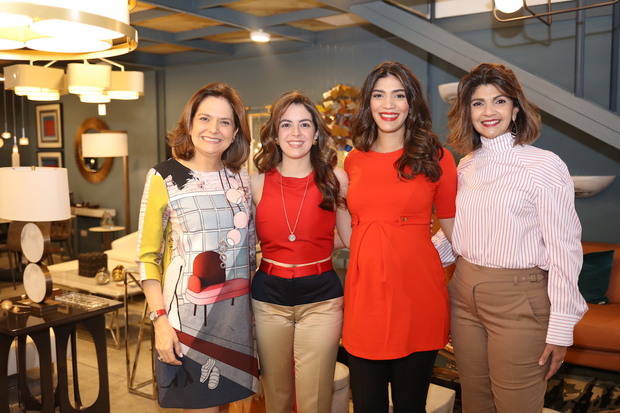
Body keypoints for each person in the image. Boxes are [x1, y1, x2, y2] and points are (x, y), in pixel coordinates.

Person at [445, 63, 588, 413]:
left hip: (519, 299)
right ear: (467, 111)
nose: (489, 111)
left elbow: (565, 250)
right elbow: (457, 232)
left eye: (499, 101)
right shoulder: (466, 165)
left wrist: (561, 328)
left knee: (516, 405)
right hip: (463, 293)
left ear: (516, 108)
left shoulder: (544, 165)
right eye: (478, 103)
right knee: (476, 402)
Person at [343, 61, 457, 413]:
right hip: (365, 300)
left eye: (399, 95)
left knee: (411, 406)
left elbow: (457, 234)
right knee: (366, 406)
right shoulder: (352, 162)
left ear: (412, 103)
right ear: (368, 103)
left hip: (417, 298)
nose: (388, 104)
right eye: (379, 95)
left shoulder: (437, 157)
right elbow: (349, 232)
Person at [137, 82, 259, 412]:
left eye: (225, 122)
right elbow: (147, 257)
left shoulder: (241, 179)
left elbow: (251, 248)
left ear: (235, 132)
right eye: (205, 119)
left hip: (234, 322)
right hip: (181, 322)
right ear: (190, 124)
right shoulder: (164, 176)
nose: (213, 130)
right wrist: (159, 322)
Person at [250, 91, 350, 413]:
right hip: (269, 299)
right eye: (287, 125)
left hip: (321, 299)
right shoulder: (255, 183)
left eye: (304, 124)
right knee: (276, 397)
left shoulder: (336, 179)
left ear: (316, 133)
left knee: (315, 399)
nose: (296, 134)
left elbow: (351, 238)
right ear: (275, 134)